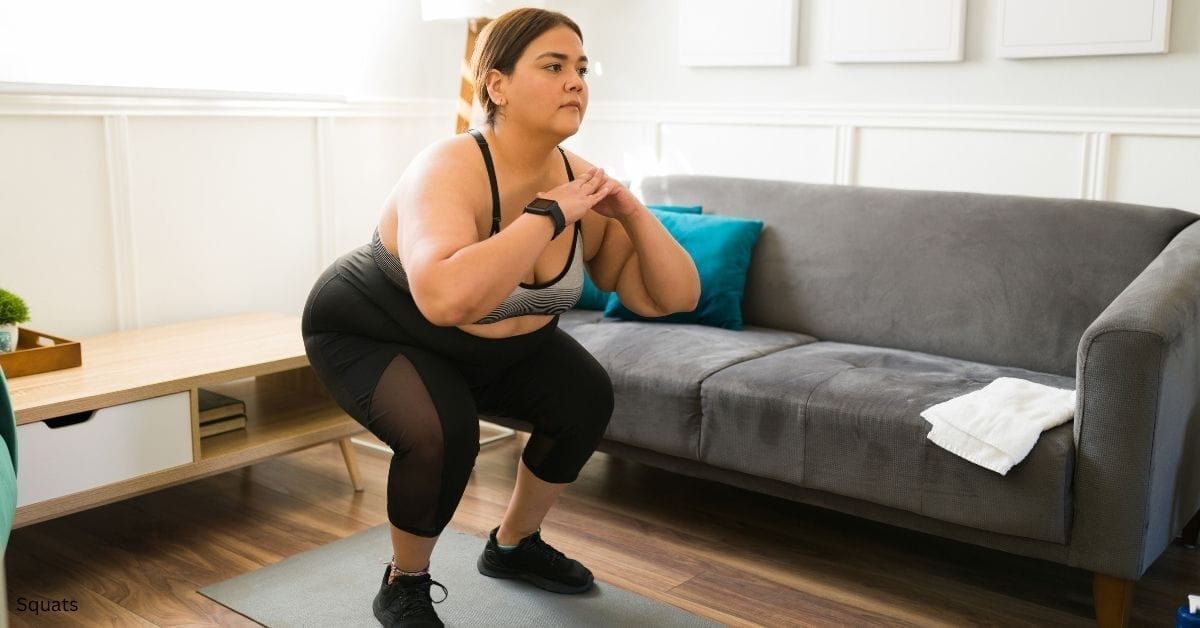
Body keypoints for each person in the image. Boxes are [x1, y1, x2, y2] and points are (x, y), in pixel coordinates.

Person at [301, 7, 700, 627]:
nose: (576, 82)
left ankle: (513, 546)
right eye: (553, 65)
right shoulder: (448, 167)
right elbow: (443, 299)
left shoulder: (584, 185)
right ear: (497, 85)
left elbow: (668, 298)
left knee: (585, 397)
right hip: (376, 327)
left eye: (581, 68)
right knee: (442, 431)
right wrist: (546, 216)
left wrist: (632, 213)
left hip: (495, 345)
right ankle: (403, 585)